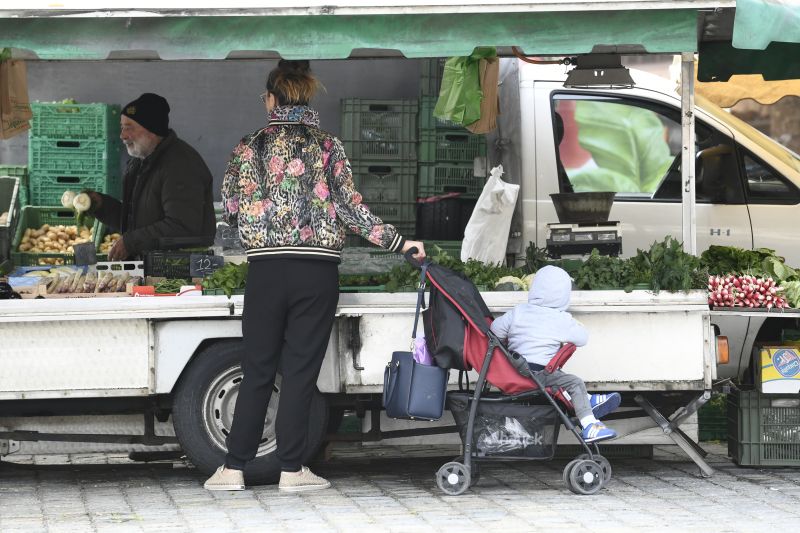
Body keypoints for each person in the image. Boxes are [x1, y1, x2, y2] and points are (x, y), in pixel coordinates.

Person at [203, 60, 425, 492]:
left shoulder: (248, 146)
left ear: (271, 99)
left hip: (266, 271)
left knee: (258, 370)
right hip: (315, 272)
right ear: (305, 98)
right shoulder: (327, 145)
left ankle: (232, 470)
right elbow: (351, 208)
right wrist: (400, 243)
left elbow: (229, 209)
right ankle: (291, 471)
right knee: (301, 373)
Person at [490, 265, 621, 443]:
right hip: (540, 375)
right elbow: (582, 338)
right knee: (574, 382)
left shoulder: (518, 311)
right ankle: (590, 425)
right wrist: (568, 319)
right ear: (564, 295)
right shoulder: (559, 319)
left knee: (561, 378)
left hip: (515, 371)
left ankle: (588, 400)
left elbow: (495, 330)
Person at [87, 93, 216, 260]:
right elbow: (136, 221)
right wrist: (101, 205)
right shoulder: (140, 162)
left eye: (129, 127)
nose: (122, 136)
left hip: (178, 269)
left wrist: (131, 242)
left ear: (152, 128)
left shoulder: (180, 166)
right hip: (151, 267)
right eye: (122, 127)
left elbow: (182, 225)